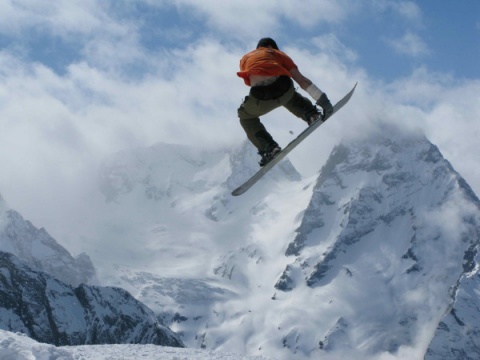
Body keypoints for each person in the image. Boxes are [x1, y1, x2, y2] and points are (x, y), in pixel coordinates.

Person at [237, 37, 333, 166]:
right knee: (288, 93)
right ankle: (311, 114)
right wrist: (324, 101)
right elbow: (302, 81)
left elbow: (251, 81)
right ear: (273, 47)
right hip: (284, 90)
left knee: (246, 117)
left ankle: (269, 148)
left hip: (261, 97)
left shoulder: (245, 58)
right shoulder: (279, 54)